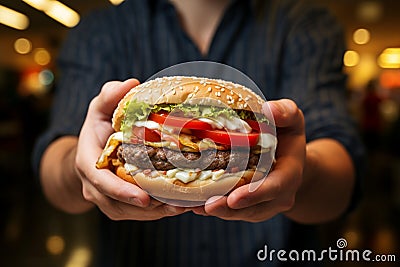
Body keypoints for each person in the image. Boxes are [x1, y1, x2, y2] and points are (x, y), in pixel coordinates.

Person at [33, 0, 364, 266]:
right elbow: (55, 161)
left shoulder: (304, 22)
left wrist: (299, 173)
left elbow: (342, 173)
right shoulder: (99, 30)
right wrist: (83, 170)